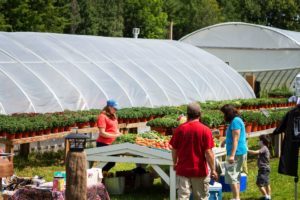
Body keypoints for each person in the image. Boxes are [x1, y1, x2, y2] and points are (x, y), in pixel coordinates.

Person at [169, 102, 218, 200]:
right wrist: (213, 169)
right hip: (199, 171)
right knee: (201, 198)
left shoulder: (180, 129)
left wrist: (175, 163)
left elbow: (174, 149)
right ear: (200, 114)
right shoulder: (205, 130)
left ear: (187, 114)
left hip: (183, 169)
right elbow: (208, 152)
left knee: (183, 197)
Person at [220, 104, 247, 200]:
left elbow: (236, 139)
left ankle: (236, 198)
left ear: (228, 113)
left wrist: (232, 155)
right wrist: (225, 141)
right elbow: (232, 136)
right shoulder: (236, 120)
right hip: (239, 151)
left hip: (236, 153)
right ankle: (237, 197)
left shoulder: (235, 122)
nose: (223, 116)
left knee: (232, 176)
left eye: (223, 113)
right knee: (236, 174)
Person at [96, 99, 122, 172]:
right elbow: (102, 133)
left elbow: (116, 130)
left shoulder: (113, 116)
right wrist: (115, 136)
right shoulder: (102, 116)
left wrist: (120, 134)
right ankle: (98, 176)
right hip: (103, 144)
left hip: (112, 144)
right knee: (109, 162)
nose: (116, 110)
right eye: (115, 108)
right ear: (109, 107)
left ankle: (101, 176)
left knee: (112, 162)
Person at [248, 135, 271, 200]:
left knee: (259, 183)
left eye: (259, 140)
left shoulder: (264, 148)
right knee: (267, 183)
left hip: (263, 169)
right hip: (266, 168)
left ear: (262, 141)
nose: (258, 142)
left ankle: (266, 196)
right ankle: (269, 196)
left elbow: (256, 152)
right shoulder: (266, 148)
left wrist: (247, 150)